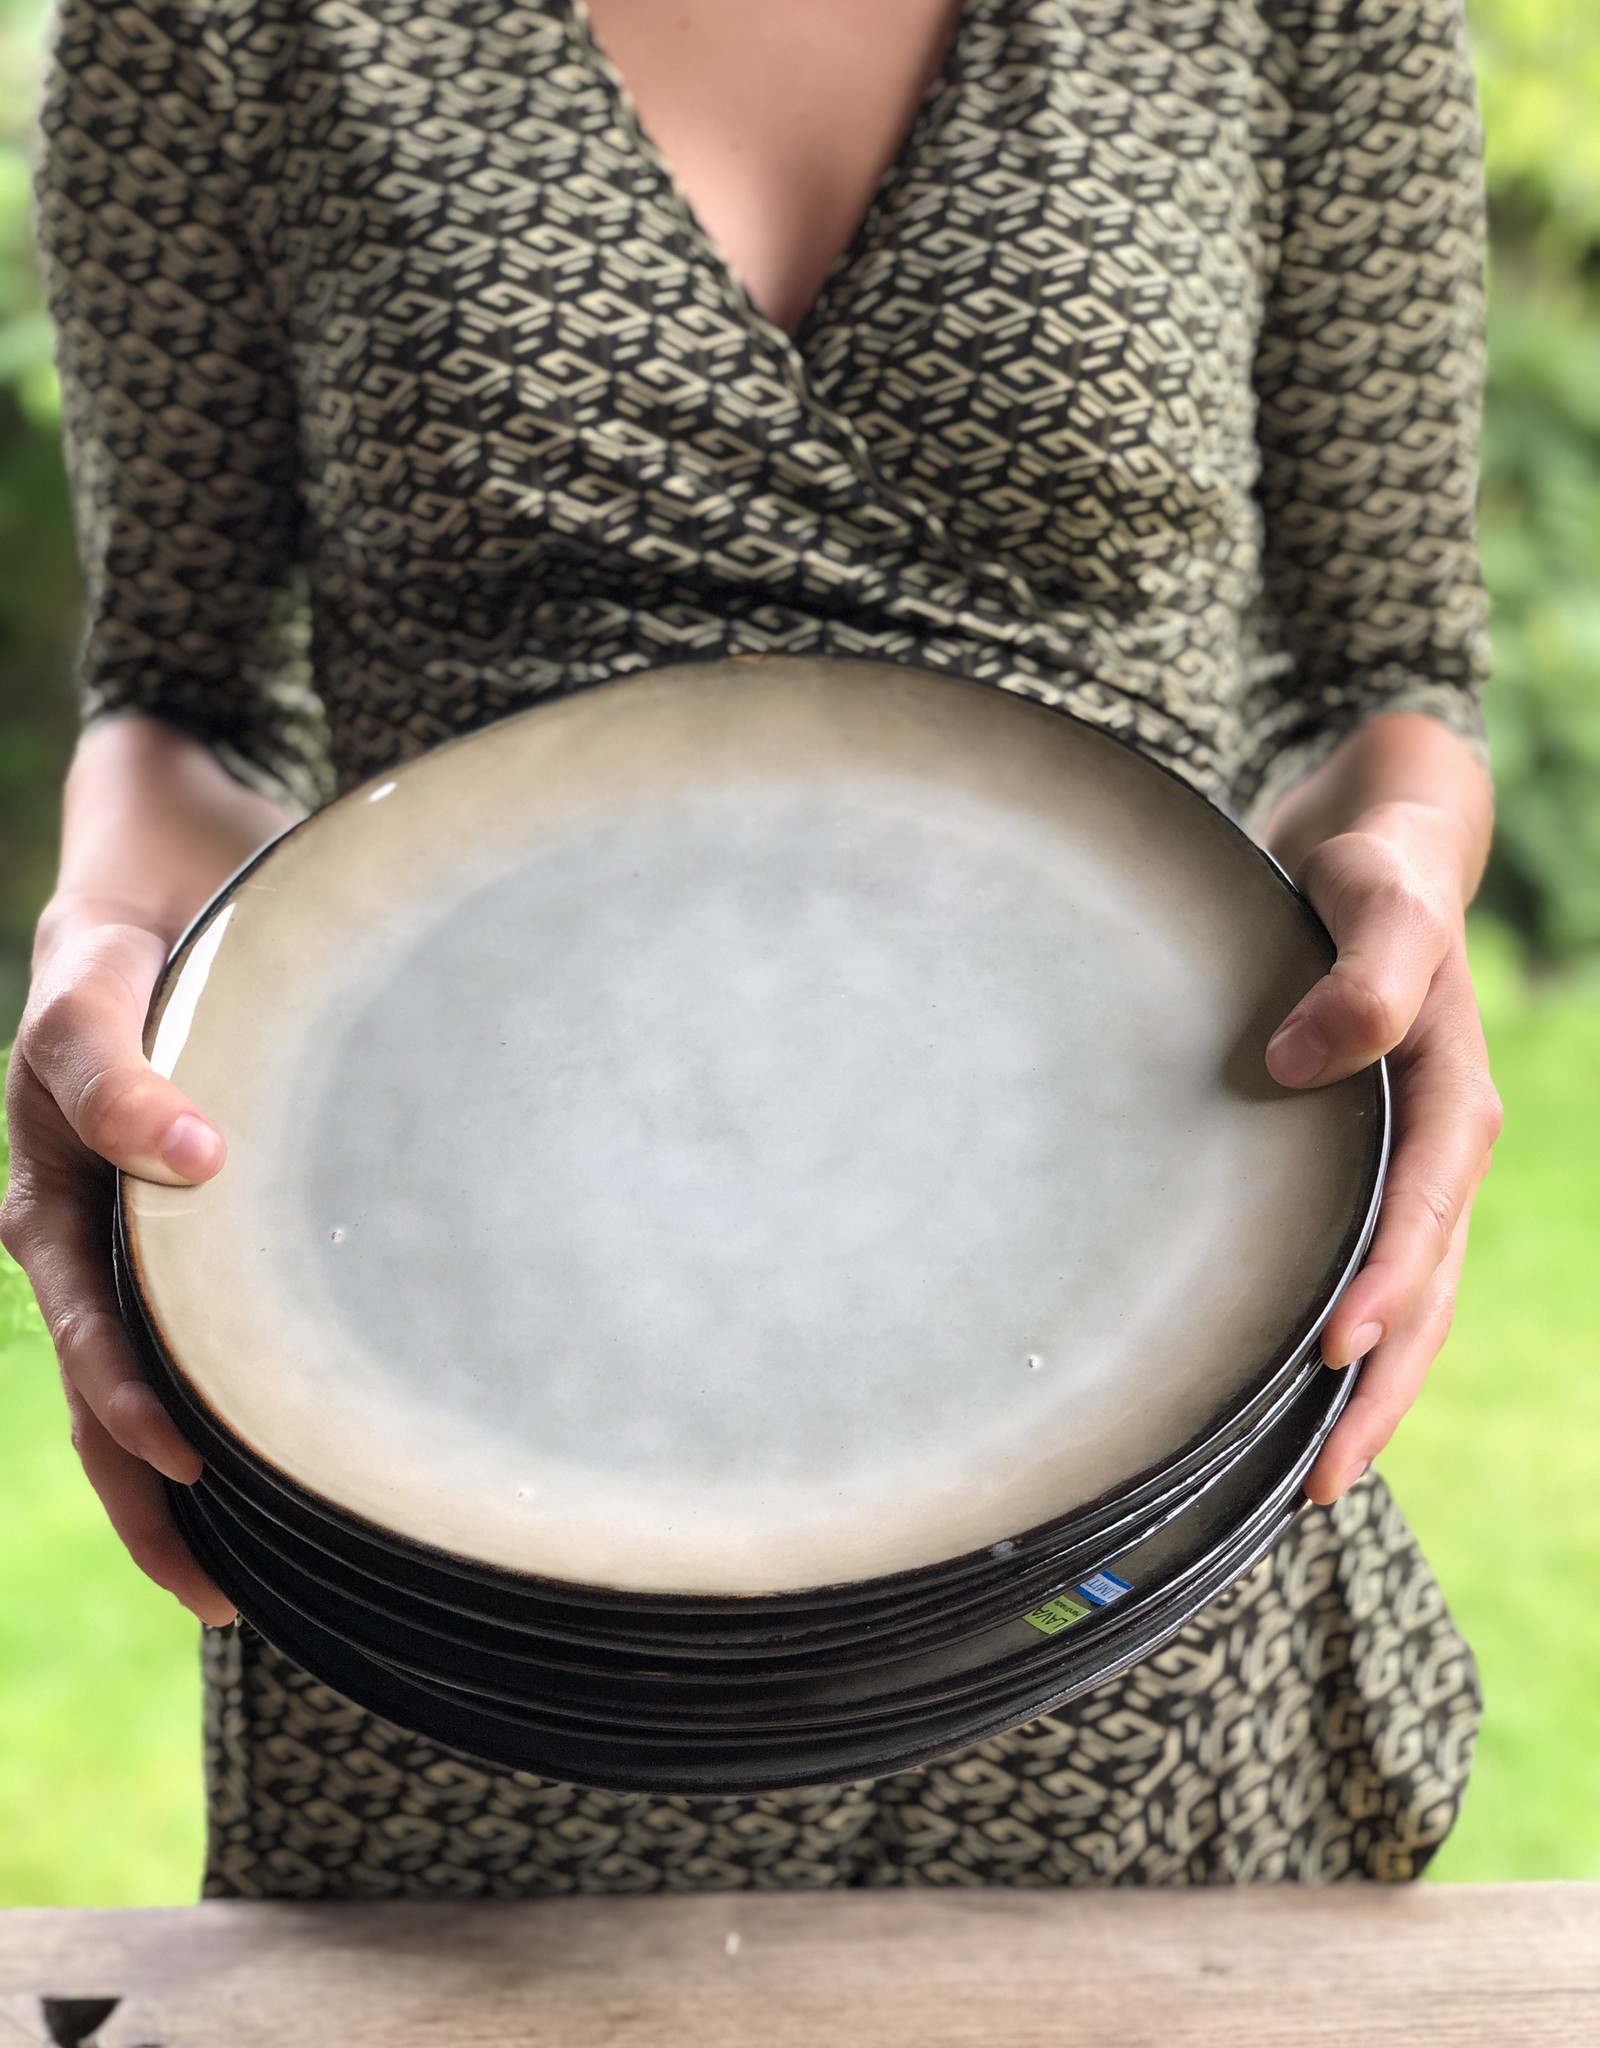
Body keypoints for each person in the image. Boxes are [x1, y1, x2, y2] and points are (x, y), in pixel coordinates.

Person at [5, 0, 1500, 1893]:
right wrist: (112, 944)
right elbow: (184, 690)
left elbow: (1383, 670)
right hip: (464, 1475)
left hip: (1131, 1427)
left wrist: (1401, 864)